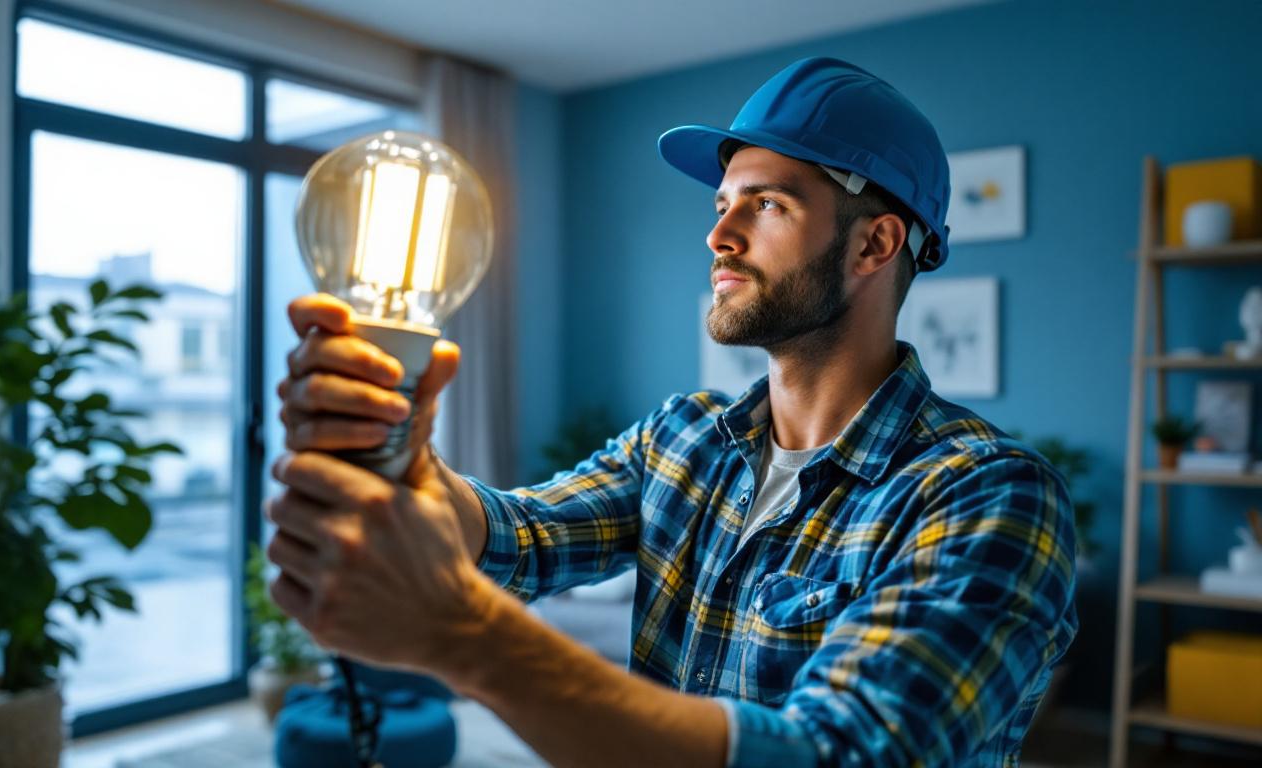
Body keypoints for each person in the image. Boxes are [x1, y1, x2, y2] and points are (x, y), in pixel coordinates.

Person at [265, 57, 1078, 767]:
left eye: (767, 204)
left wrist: (462, 633)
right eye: (722, 203)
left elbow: (838, 754)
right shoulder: (684, 438)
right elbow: (521, 537)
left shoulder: (987, 494)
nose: (719, 234)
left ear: (875, 245)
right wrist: (402, 452)